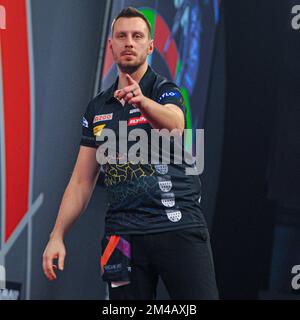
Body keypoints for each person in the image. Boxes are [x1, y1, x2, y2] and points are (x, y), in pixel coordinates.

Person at [42, 7, 219, 300]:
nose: (129, 42)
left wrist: (143, 103)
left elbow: (175, 124)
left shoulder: (165, 91)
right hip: (121, 235)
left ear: (150, 46)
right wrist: (57, 235)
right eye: (122, 36)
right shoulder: (97, 108)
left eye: (137, 36)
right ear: (111, 45)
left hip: (176, 226)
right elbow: (81, 182)